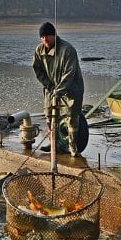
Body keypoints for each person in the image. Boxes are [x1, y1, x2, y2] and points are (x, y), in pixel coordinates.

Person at [32, 21, 85, 156]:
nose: (45, 39)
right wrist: (49, 86)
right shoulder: (39, 50)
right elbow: (37, 70)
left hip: (72, 89)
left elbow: (70, 74)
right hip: (51, 89)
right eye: (42, 37)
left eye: (47, 36)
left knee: (72, 117)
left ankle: (73, 146)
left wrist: (59, 91)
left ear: (54, 35)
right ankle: (53, 143)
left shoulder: (68, 50)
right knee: (49, 116)